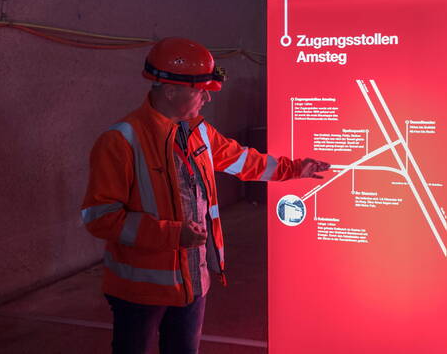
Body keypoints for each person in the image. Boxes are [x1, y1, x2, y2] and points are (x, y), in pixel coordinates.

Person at [80, 37, 329, 354]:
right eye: (201, 91)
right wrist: (173, 234)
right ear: (171, 91)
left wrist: (294, 169)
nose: (207, 99)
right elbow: (100, 218)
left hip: (192, 286)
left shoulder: (198, 132)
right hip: (139, 293)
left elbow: (243, 160)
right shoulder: (120, 142)